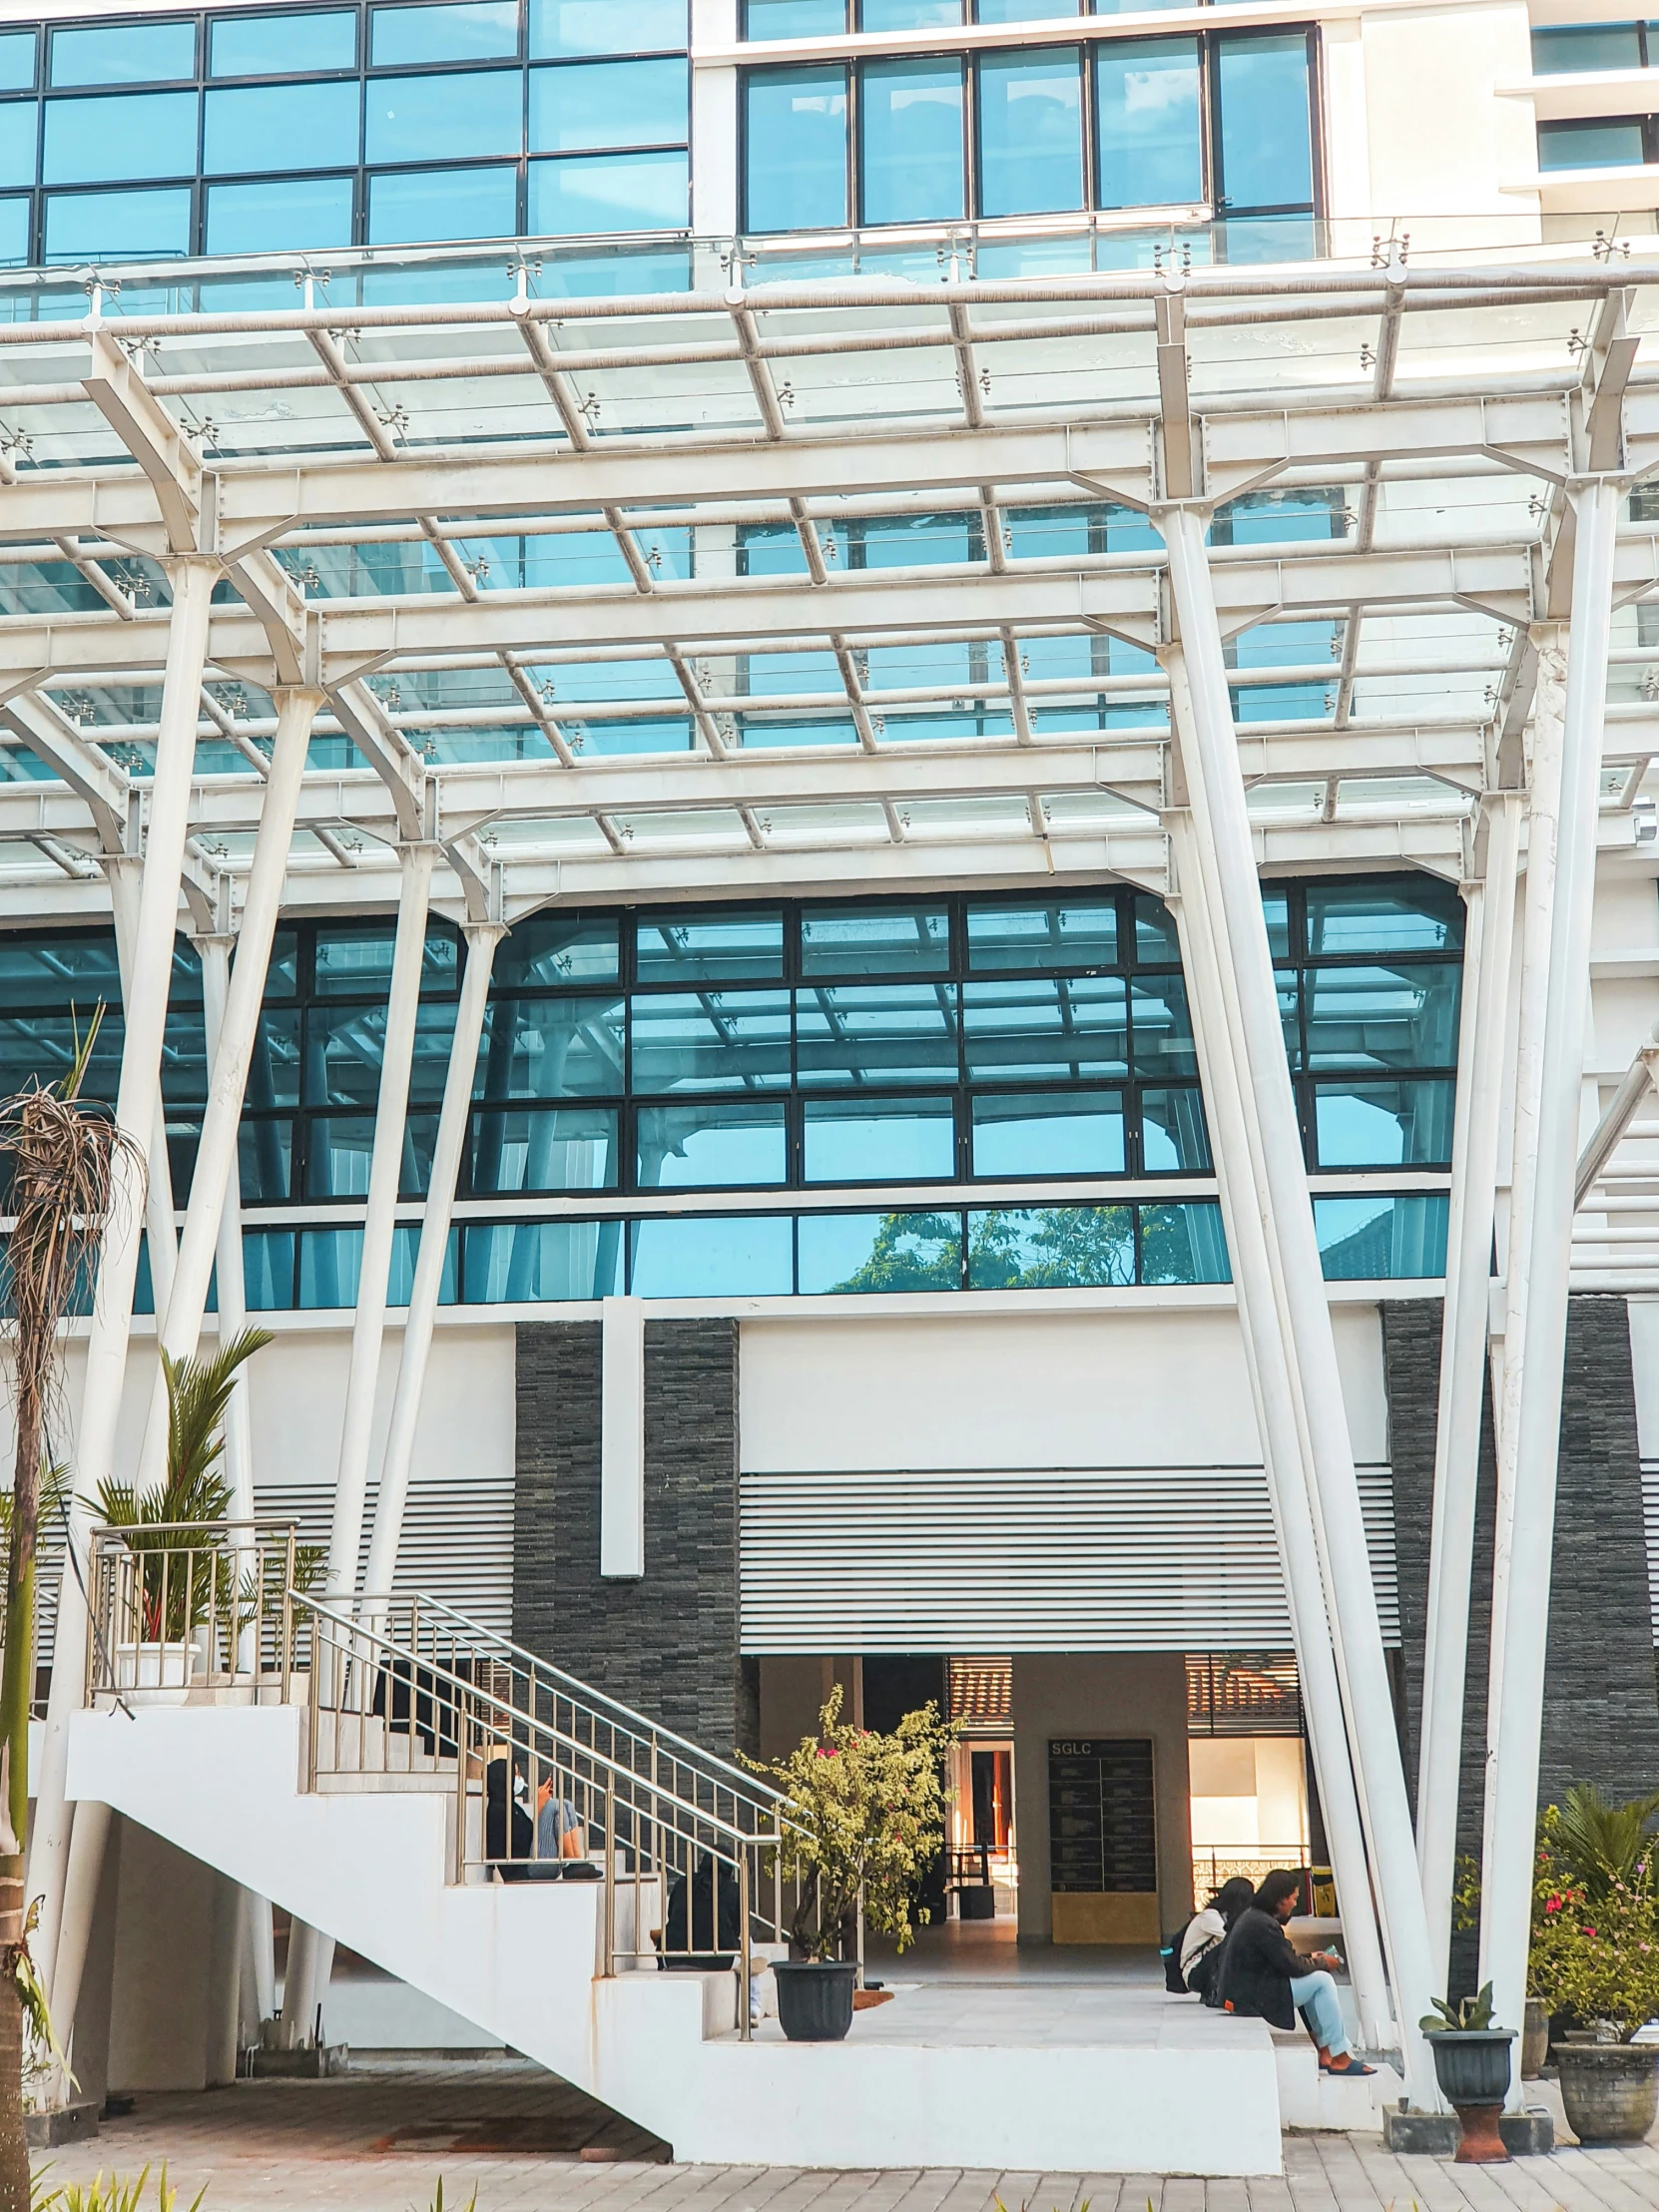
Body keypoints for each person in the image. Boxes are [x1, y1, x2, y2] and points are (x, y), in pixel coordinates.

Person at [1218, 1868, 1375, 2074]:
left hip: (1244, 1993)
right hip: (1250, 1998)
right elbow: (1291, 1966)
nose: (1294, 1904)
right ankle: (1340, 2056)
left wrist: (1311, 1958)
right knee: (1322, 1981)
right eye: (1293, 1898)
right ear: (1280, 1900)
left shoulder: (1255, 1917)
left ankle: (1325, 2051)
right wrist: (1323, 1963)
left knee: (1314, 1979)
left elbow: (1283, 1958)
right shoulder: (1263, 1924)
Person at [1179, 1876, 1255, 1998]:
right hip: (1194, 1973)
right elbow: (1234, 1940)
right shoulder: (1210, 1917)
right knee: (1232, 1945)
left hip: (1205, 1969)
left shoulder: (1224, 1916)